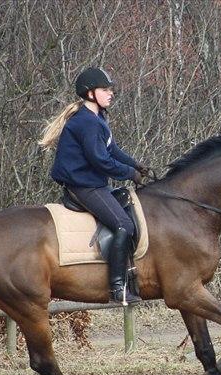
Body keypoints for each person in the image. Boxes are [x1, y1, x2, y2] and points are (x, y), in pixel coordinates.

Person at [39, 67, 149, 305]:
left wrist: (136, 165)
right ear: (90, 94)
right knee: (123, 226)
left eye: (111, 90)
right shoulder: (86, 123)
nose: (111, 94)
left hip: (93, 184)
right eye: (105, 90)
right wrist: (129, 173)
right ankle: (117, 288)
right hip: (83, 187)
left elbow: (112, 150)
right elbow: (100, 160)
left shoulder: (97, 118)